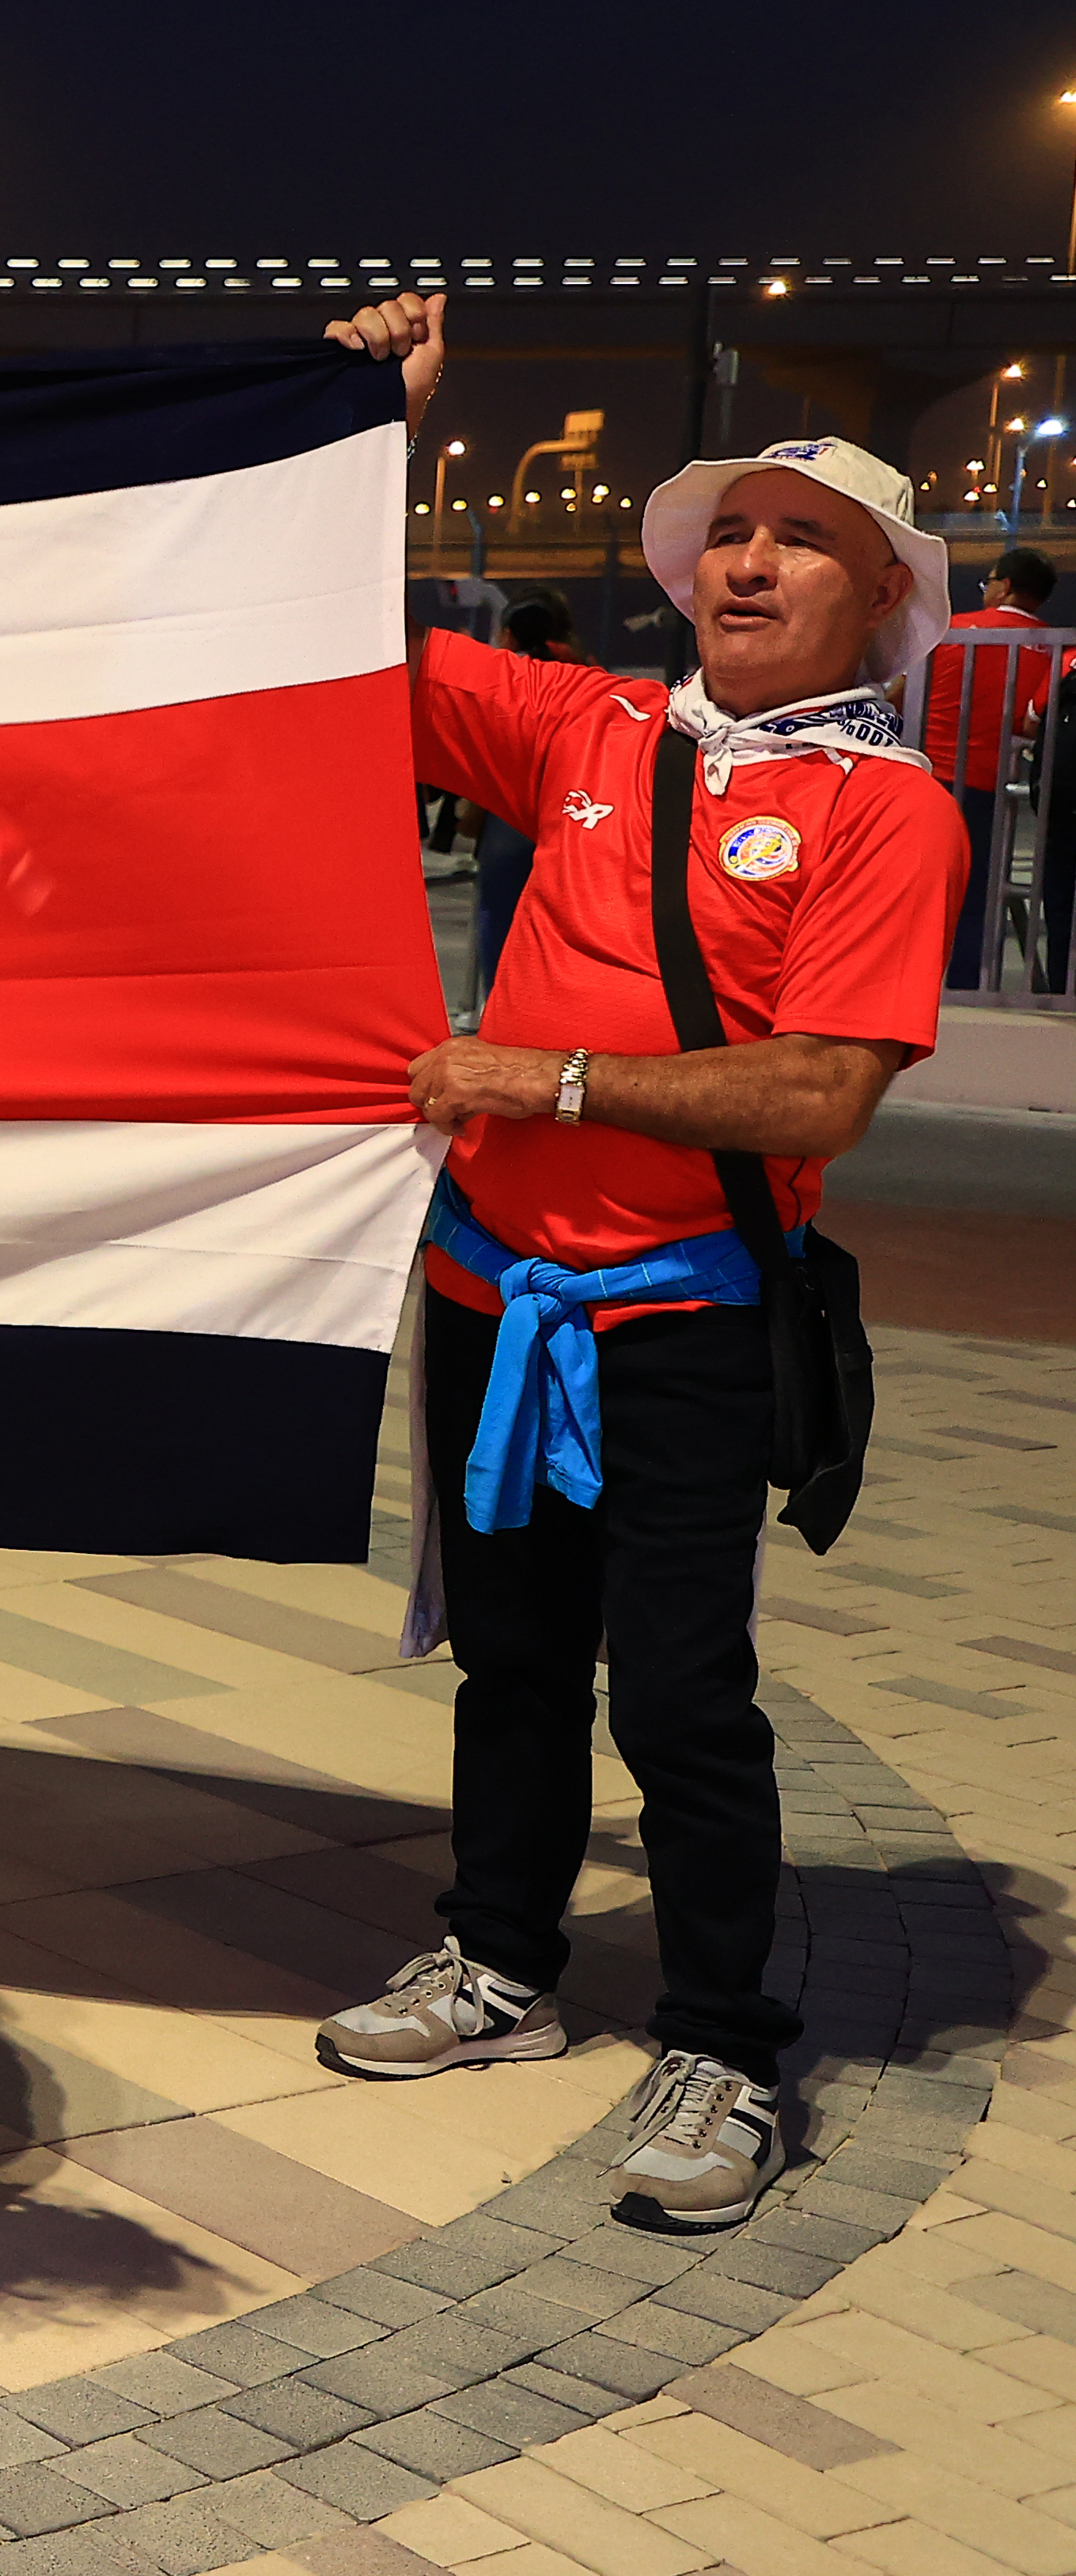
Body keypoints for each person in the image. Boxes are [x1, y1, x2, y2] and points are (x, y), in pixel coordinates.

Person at [317, 295, 966, 2233]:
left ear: (875, 601)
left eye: (798, 538)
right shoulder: (593, 727)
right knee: (506, 1665)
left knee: (679, 1691)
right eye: (728, 534)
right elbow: (333, 651)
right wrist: (366, 429)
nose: (745, 560)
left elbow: (813, 1094)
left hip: (682, 1315)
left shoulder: (885, 810)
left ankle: (723, 2040)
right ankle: (499, 1959)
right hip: (485, 1292)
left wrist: (544, 1071)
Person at [920, 544, 1055, 988]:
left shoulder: (949, 631)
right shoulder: (1054, 651)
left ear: (1006, 586)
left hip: (930, 777)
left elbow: (902, 693)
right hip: (996, 786)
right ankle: (969, 981)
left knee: (916, 886)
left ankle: (906, 983)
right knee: (980, 887)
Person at [470, 596, 582, 1006]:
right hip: (578, 808)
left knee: (499, 913)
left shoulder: (506, 677)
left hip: (512, 817)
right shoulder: (585, 671)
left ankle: (499, 1011)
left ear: (511, 634)